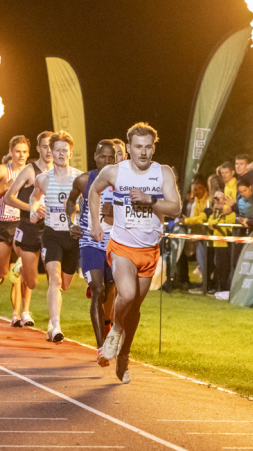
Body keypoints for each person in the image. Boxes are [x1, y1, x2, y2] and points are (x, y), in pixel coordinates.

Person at [91, 122, 181, 383]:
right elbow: (95, 191)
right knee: (126, 294)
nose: (143, 152)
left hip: (149, 250)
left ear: (153, 149)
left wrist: (150, 200)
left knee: (134, 309)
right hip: (121, 247)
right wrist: (96, 224)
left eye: (148, 147)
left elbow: (175, 208)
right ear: (128, 148)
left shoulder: (162, 173)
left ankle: (124, 355)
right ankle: (114, 330)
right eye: (138, 147)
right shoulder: (114, 172)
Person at [66, 140, 118, 364]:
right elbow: (70, 201)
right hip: (90, 240)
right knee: (98, 290)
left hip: (116, 243)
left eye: (111, 157)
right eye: (103, 157)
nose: (107, 161)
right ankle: (100, 348)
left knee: (109, 292)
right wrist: (71, 223)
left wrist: (116, 209)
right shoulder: (84, 180)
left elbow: (135, 207)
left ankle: (110, 330)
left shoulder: (122, 181)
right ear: (95, 157)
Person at [29, 130, 83, 344]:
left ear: (70, 152)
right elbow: (34, 197)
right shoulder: (43, 179)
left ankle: (54, 321)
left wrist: (79, 209)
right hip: (51, 234)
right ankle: (55, 324)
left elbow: (90, 204)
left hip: (72, 236)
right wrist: (34, 211)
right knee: (54, 278)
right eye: (57, 150)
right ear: (51, 152)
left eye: (65, 150)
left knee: (65, 284)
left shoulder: (80, 178)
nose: (61, 154)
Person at [4, 131, 54, 327]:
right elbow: (9, 197)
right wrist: (31, 208)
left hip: (51, 228)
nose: (49, 151)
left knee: (54, 276)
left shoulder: (61, 172)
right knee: (32, 282)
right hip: (30, 226)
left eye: (53, 147)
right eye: (45, 147)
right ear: (39, 148)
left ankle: (54, 323)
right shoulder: (29, 171)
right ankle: (21, 267)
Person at [0, 136, 30, 301]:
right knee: (2, 271)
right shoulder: (2, 170)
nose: (21, 155)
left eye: (24, 152)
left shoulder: (33, 172)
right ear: (10, 152)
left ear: (28, 153)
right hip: (2, 225)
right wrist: (3, 188)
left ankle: (22, 311)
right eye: (17, 151)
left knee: (23, 260)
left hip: (22, 224)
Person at [207, 191, 236, 293]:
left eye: (219, 198)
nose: (217, 201)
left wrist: (214, 223)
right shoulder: (215, 212)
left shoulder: (229, 212)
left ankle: (224, 289)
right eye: (215, 198)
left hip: (225, 244)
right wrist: (215, 222)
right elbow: (210, 222)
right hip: (217, 243)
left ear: (224, 199)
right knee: (218, 267)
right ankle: (218, 287)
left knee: (224, 268)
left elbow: (227, 224)